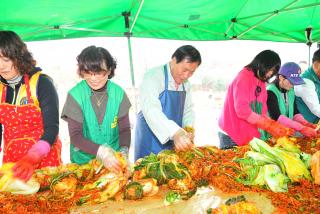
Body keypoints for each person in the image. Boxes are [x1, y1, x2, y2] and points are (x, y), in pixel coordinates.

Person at [0, 31, 62, 181]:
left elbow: (52, 128)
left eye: (6, 59)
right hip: (13, 164)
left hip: (44, 161)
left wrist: (31, 158)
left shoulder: (42, 83)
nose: (1, 66)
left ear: (19, 57)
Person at [61, 46, 131, 173]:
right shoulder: (75, 95)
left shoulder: (118, 94)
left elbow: (124, 129)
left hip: (113, 163)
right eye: (88, 72)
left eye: (99, 72)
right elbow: (76, 136)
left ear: (109, 70)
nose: (93, 78)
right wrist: (102, 152)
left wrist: (124, 151)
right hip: (84, 165)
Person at [134, 45, 201, 161]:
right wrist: (175, 132)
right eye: (184, 70)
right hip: (150, 141)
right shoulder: (153, 76)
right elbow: (151, 109)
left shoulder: (186, 85)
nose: (186, 75)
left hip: (174, 140)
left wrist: (188, 130)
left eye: (191, 72)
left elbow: (188, 110)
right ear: (174, 60)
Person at [218, 50, 294, 149]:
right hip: (232, 135)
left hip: (246, 135)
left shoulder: (262, 83)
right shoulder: (243, 78)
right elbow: (242, 110)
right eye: (269, 69)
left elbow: (262, 112)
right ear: (260, 63)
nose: (269, 74)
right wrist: (269, 125)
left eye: (273, 72)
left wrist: (276, 127)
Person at [267, 62, 317, 138]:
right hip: (271, 135)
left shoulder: (290, 90)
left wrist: (306, 123)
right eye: (291, 81)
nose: (293, 84)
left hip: (286, 132)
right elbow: (277, 117)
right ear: (281, 77)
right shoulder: (270, 92)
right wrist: (302, 128)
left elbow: (295, 112)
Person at [295, 49, 320, 124]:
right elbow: (316, 108)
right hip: (303, 129)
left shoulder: (317, 77)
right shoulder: (305, 82)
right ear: (315, 64)